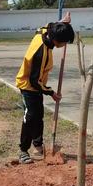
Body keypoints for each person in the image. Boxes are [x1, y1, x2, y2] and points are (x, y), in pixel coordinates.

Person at [15, 13, 75, 164]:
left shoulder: (44, 33)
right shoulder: (40, 53)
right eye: (65, 42)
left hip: (36, 84)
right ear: (56, 40)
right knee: (30, 116)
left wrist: (63, 23)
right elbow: (35, 81)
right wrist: (51, 92)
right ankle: (23, 150)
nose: (65, 44)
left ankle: (38, 145)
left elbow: (47, 26)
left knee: (39, 115)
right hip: (28, 86)